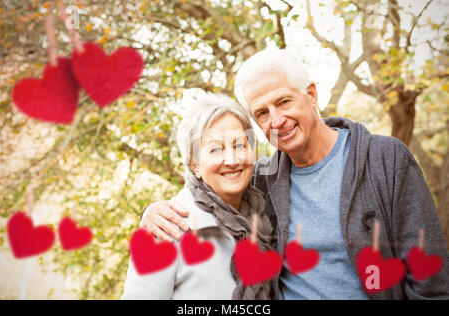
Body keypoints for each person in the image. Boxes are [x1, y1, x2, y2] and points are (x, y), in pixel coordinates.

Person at [140, 48, 449, 299]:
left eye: (283, 101)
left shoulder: (386, 160)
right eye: (262, 112)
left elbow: (430, 281)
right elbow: (211, 194)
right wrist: (153, 213)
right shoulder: (260, 180)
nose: (277, 120)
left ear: (311, 95)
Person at [121, 93, 276, 299]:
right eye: (215, 149)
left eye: (239, 145)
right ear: (195, 165)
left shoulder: (263, 217)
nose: (231, 159)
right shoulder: (166, 227)